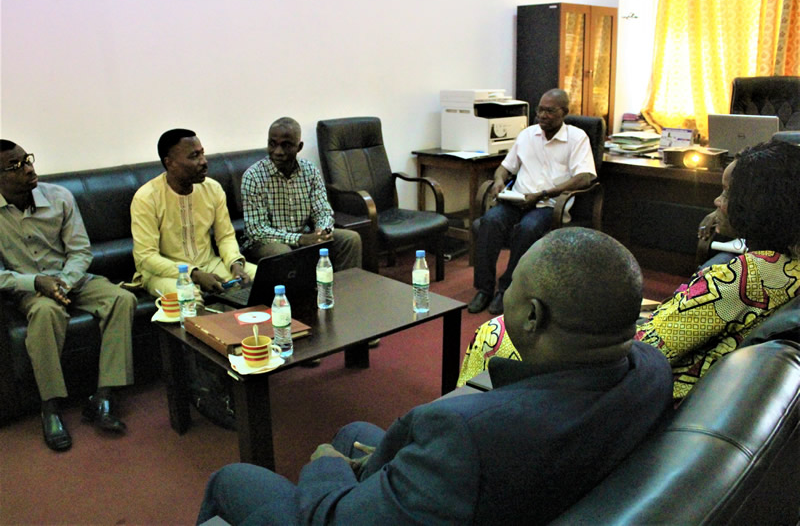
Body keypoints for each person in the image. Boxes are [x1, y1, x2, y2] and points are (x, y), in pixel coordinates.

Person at [196, 227, 673, 525]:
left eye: (512, 289)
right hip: (529, 488)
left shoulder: (466, 435)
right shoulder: (652, 369)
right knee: (352, 432)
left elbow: (331, 518)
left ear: (532, 316)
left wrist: (324, 465)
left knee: (231, 478)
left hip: (471, 485)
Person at [636, 139, 800, 400]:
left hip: (659, 395)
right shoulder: (788, 265)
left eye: (726, 193)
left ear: (756, 203)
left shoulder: (737, 280)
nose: (716, 200)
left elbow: (645, 348)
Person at [0, 140, 137, 451]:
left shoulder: (59, 196)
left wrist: (63, 282)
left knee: (121, 299)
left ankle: (103, 396)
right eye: (15, 166)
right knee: (47, 312)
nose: (29, 168)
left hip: (73, 278)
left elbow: (80, 250)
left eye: (27, 160)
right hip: (29, 288)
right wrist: (37, 282)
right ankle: (49, 407)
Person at [469, 89, 596, 315]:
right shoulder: (527, 135)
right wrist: (499, 181)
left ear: (564, 112)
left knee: (528, 229)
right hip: (516, 200)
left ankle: (507, 289)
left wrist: (545, 193)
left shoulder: (577, 138)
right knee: (489, 221)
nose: (542, 115)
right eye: (540, 110)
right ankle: (484, 289)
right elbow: (505, 167)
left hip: (549, 205)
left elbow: (586, 176)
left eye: (550, 111)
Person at [131, 129, 256, 299]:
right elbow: (146, 256)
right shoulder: (147, 198)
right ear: (170, 163)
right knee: (188, 294)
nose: (203, 162)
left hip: (209, 264)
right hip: (163, 274)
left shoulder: (213, 189)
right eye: (194, 156)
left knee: (263, 278)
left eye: (202, 153)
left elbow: (225, 237)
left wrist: (236, 264)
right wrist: (194, 274)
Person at [240, 117, 361, 270]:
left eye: (286, 145)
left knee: (350, 239)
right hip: (265, 242)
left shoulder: (310, 171)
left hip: (306, 235)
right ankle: (293, 294)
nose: (278, 152)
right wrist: (300, 239)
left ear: (299, 147)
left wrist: (322, 231)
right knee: (282, 252)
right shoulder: (253, 176)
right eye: (272, 144)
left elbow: (322, 211)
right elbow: (257, 231)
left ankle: (345, 290)